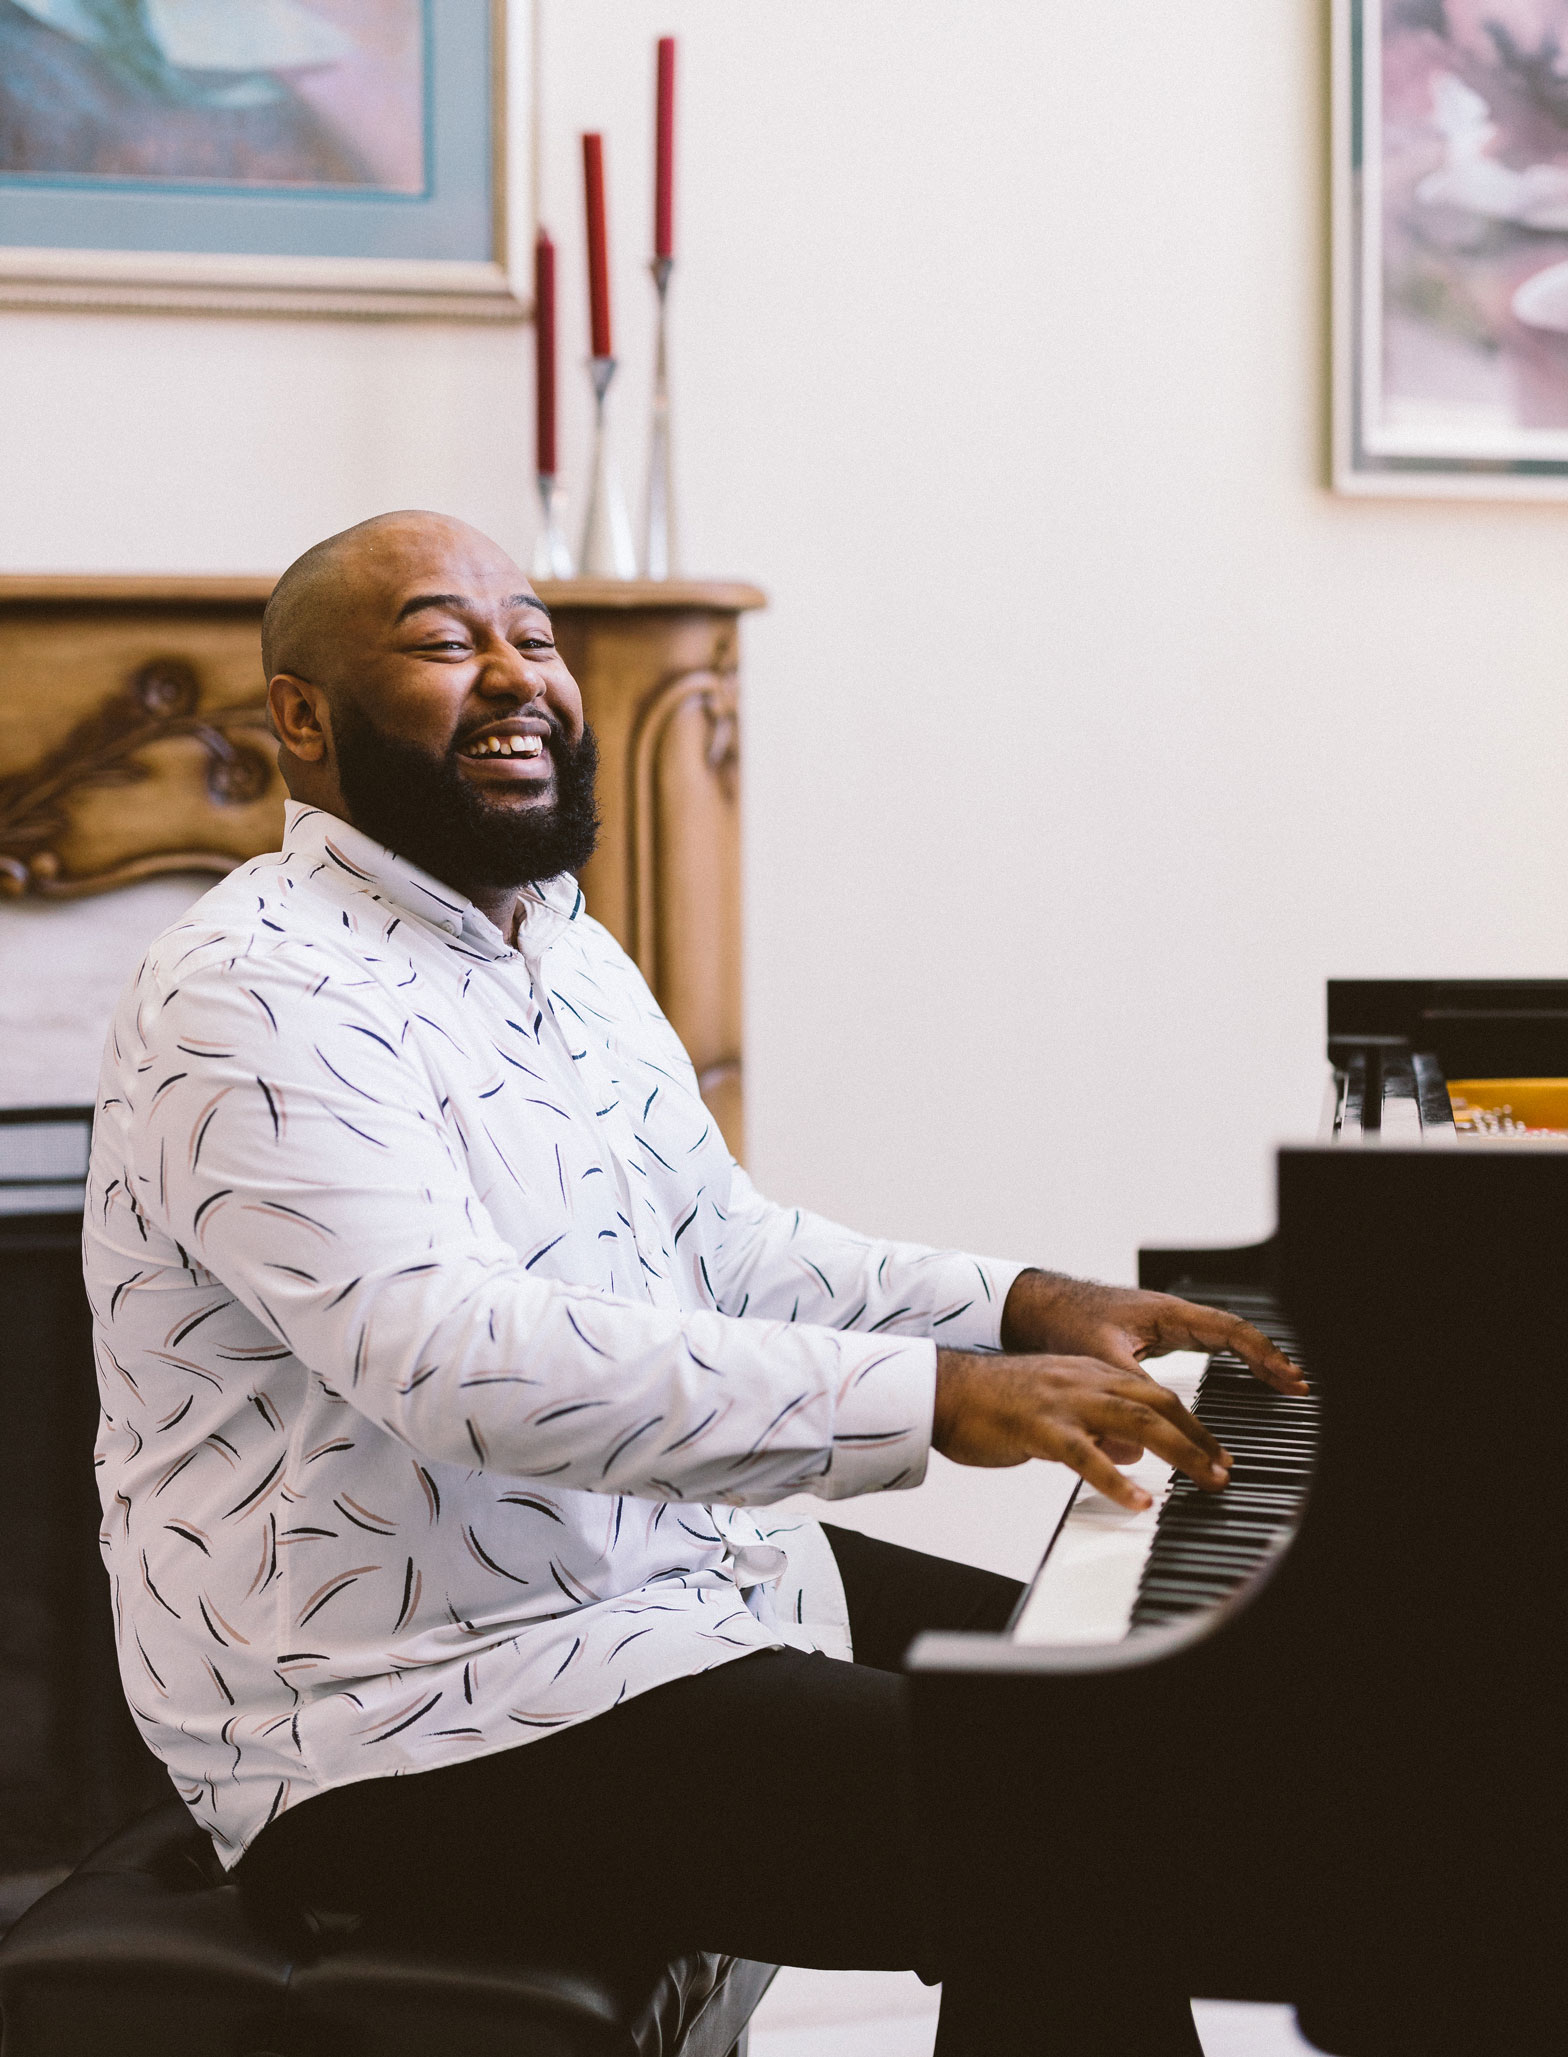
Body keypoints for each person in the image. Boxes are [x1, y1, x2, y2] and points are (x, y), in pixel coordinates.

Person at [83, 510, 1303, 2055]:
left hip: (682, 1589)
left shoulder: (559, 946)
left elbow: (721, 1246)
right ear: (303, 716)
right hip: (411, 1714)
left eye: (532, 635)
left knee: (1127, 1727)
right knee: (1075, 1814)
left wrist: (1018, 1304)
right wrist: (939, 1401)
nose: (518, 675)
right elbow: (455, 1357)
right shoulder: (244, 988)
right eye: (447, 642)